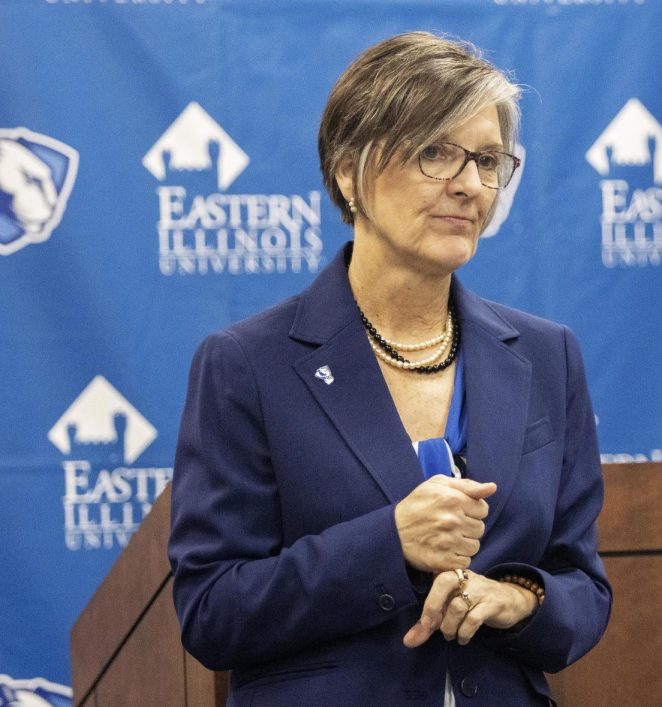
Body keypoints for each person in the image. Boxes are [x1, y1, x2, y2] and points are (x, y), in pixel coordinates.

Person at [168, 31, 611, 706]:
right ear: (350, 170)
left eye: (488, 161)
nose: (468, 185)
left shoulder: (547, 356)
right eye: (436, 152)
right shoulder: (246, 366)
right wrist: (389, 545)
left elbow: (583, 584)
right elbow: (212, 610)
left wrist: (519, 600)